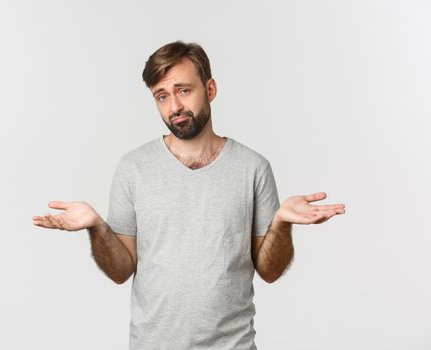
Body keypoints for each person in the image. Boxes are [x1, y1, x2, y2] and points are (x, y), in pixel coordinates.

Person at [32, 40, 346, 350]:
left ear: (210, 89)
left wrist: (281, 224)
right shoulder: (133, 168)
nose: (175, 107)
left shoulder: (253, 168)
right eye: (162, 96)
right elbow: (120, 271)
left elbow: (270, 271)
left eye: (184, 90)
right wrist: (97, 228)